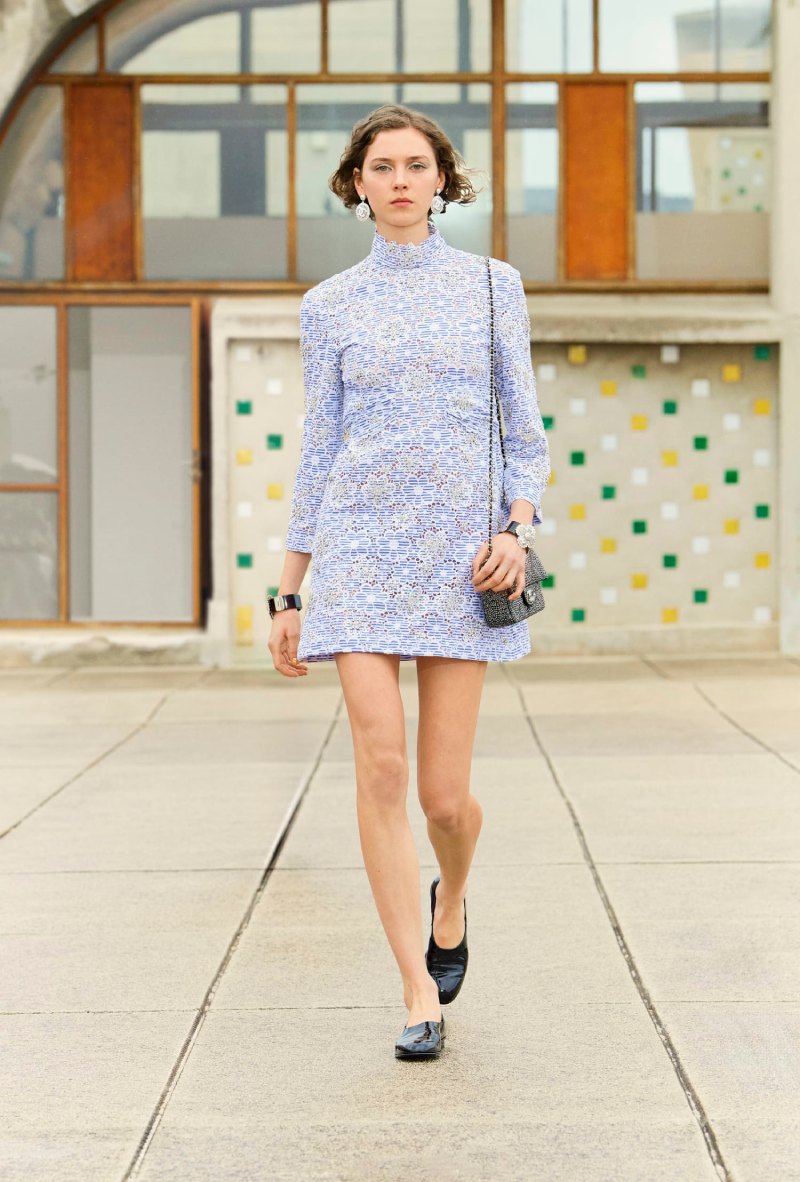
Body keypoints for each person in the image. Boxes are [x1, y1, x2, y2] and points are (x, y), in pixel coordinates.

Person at [267, 104, 550, 1060]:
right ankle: (415, 988)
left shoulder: (493, 288)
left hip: (462, 562)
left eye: (415, 165)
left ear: (442, 180)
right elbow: (321, 447)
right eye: (381, 166)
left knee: (442, 800)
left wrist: (518, 528)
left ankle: (452, 897)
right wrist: (290, 590)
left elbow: (526, 434)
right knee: (380, 769)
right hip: (357, 558)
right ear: (357, 183)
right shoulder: (328, 305)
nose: (399, 180)